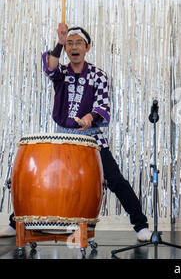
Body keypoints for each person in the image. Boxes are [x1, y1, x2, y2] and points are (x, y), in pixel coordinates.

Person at [0, 24, 151, 241]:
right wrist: (59, 42)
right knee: (44, 178)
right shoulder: (61, 73)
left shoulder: (98, 75)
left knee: (116, 180)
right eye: (69, 43)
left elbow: (103, 105)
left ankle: (140, 226)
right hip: (63, 137)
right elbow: (50, 67)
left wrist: (91, 117)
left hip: (92, 138)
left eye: (78, 42)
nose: (74, 47)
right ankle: (16, 223)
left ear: (87, 47)